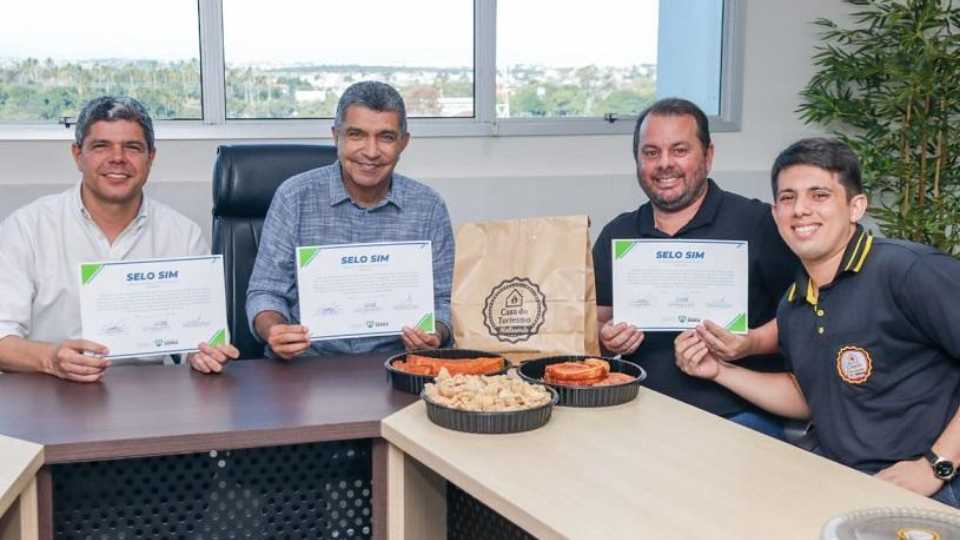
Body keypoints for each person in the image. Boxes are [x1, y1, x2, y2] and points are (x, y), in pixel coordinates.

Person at [677, 138, 960, 507]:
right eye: (788, 198)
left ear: (856, 207)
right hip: (844, 477)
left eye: (819, 195)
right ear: (775, 214)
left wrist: (936, 464)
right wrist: (720, 371)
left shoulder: (908, 271)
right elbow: (812, 396)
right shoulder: (794, 302)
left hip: (934, 483)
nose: (800, 210)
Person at [593, 98, 798, 438]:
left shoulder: (759, 223)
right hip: (635, 409)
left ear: (708, 156)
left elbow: (803, 319)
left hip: (737, 415)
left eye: (679, 150)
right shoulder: (618, 233)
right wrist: (606, 339)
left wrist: (750, 344)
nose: (665, 164)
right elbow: (594, 324)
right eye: (651, 152)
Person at [0, 96, 238, 381]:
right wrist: (51, 360)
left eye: (132, 147)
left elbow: (201, 340)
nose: (117, 158)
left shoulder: (183, 234)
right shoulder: (27, 228)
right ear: (77, 155)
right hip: (50, 390)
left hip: (150, 391)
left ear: (151, 157)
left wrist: (203, 354)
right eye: (101, 146)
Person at [246, 81, 454, 359]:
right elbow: (265, 292)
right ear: (336, 136)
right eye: (357, 135)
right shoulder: (293, 197)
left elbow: (442, 301)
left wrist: (434, 334)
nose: (371, 152)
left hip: (396, 363)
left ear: (403, 143)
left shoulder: (429, 207)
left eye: (386, 137)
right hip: (305, 364)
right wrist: (274, 329)